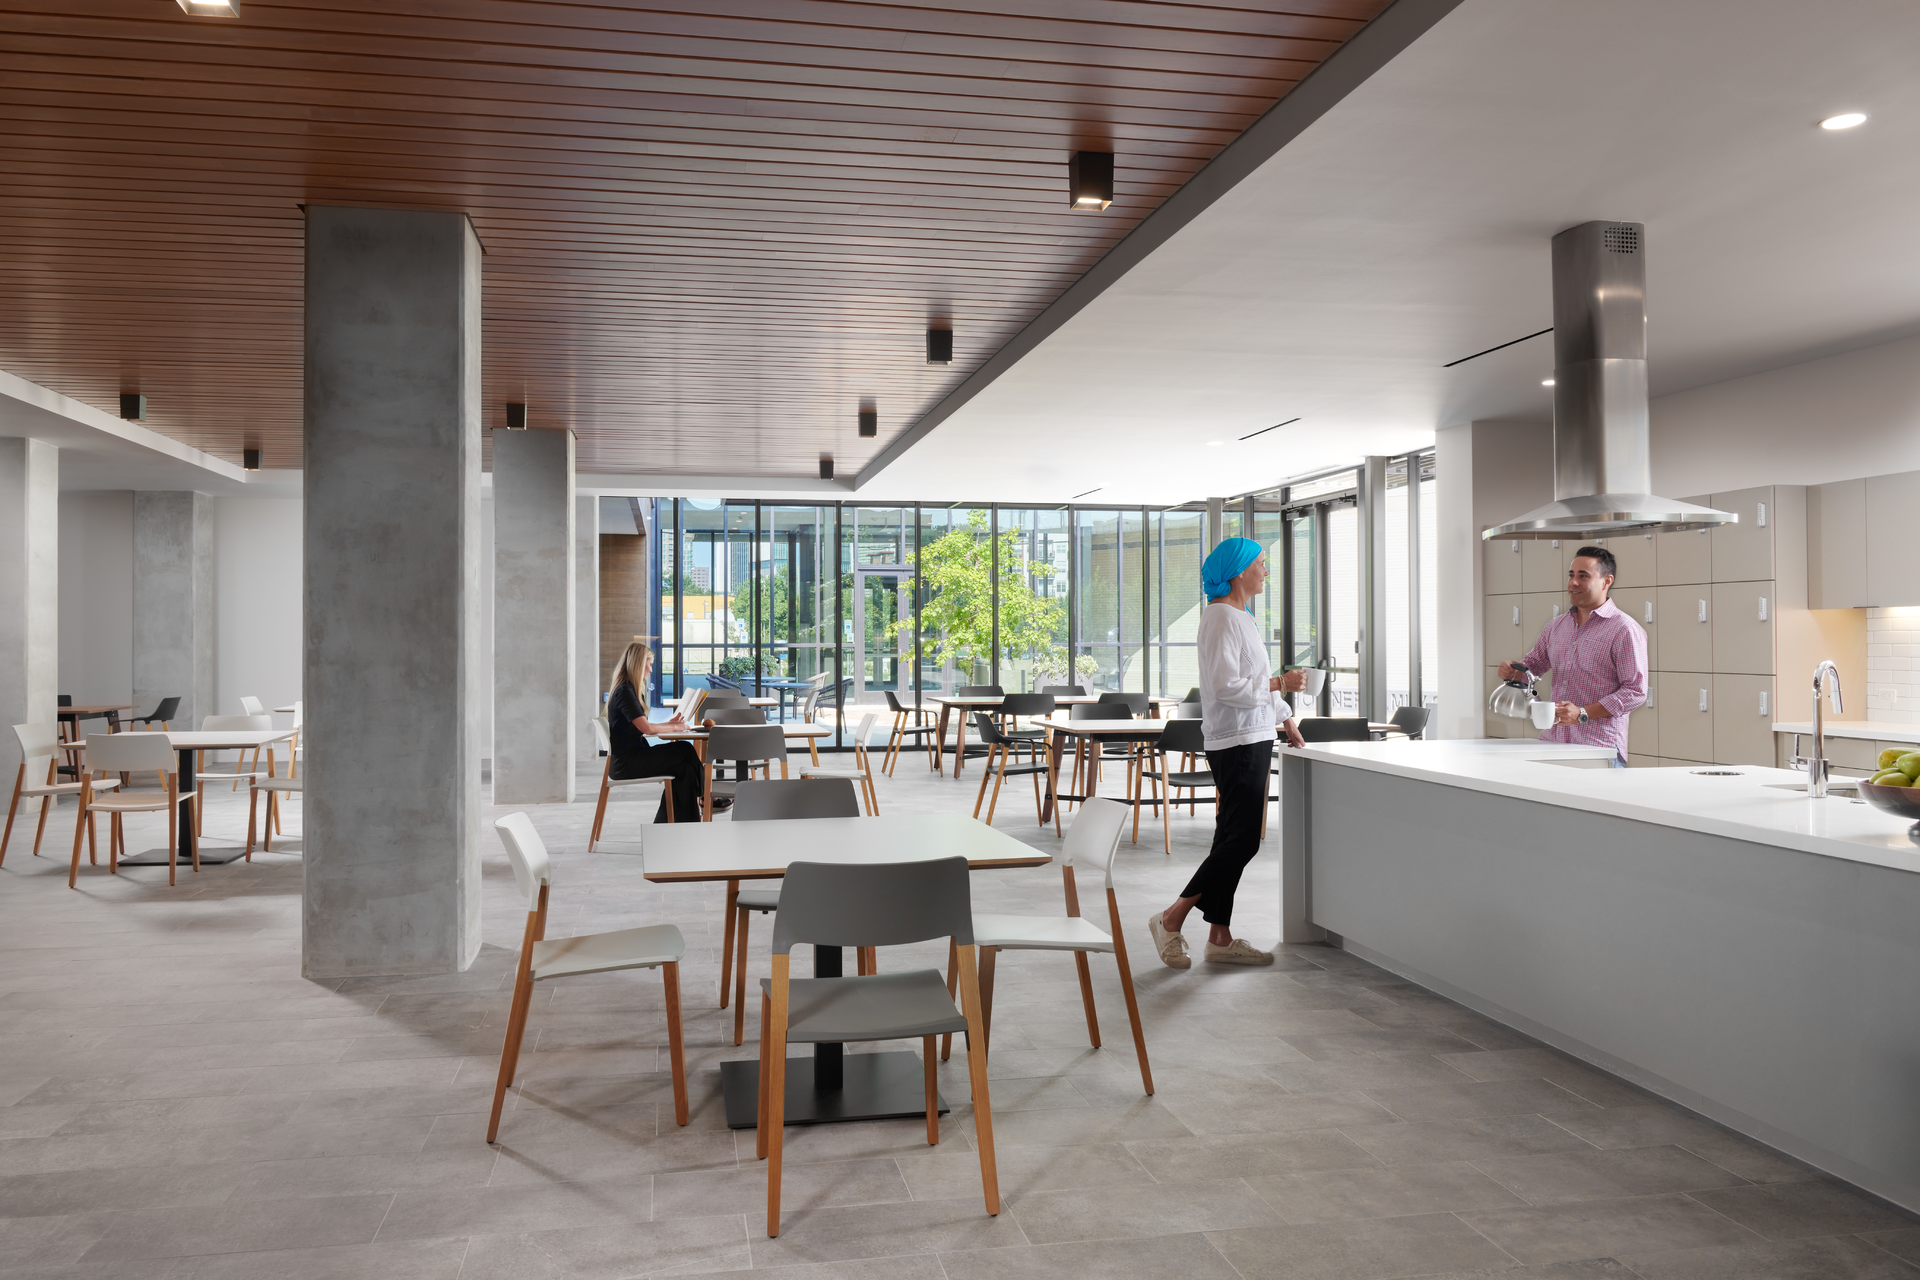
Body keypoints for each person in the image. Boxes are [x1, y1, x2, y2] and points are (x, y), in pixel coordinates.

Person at [1148, 537, 1308, 969]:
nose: (1266, 572)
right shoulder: (1221, 618)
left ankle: (1220, 937)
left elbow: (1254, 680)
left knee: (1230, 840)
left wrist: (1285, 716)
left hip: (1252, 737)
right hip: (1236, 743)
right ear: (1239, 572)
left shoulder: (1241, 617)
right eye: (1260, 564)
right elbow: (1224, 688)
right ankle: (1170, 918)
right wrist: (1279, 685)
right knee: (1242, 842)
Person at [1498, 544, 1647, 766]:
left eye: (1583, 576)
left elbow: (1635, 691)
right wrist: (1514, 670)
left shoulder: (1624, 629)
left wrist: (1583, 713)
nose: (1573, 583)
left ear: (1607, 581)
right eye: (1571, 575)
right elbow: (1534, 665)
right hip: (1553, 743)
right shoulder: (1555, 626)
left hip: (1597, 748)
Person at [605, 641, 705, 821]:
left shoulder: (627, 690)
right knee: (685, 749)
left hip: (632, 757)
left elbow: (642, 727)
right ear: (638, 664)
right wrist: (677, 727)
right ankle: (705, 798)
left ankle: (670, 823)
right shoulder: (625, 692)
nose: (651, 670)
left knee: (685, 770)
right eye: (649, 664)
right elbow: (648, 729)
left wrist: (669, 723)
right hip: (627, 763)